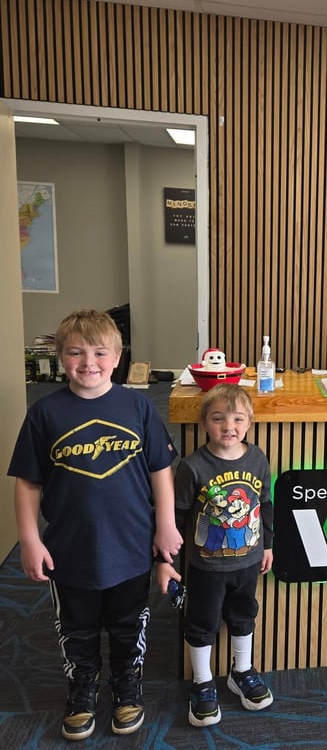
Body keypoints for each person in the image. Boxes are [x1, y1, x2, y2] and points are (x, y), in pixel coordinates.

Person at [8, 309, 183, 741]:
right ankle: (82, 689)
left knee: (128, 624)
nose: (88, 362)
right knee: (77, 629)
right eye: (75, 352)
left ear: (118, 356)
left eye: (100, 352)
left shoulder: (138, 406)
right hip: (70, 549)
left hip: (130, 546)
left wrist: (165, 525)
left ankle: (127, 688)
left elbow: (160, 471)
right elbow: (28, 482)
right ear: (60, 356)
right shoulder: (44, 413)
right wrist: (29, 539)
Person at [157, 383, 274, 728]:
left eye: (238, 419)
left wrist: (267, 543)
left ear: (249, 422)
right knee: (201, 621)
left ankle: (241, 671)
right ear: (205, 422)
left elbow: (264, 504)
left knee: (243, 614)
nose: (229, 427)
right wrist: (166, 560)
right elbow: (176, 516)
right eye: (219, 419)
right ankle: (203, 681)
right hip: (207, 564)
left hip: (248, 559)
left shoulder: (257, 458)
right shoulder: (192, 467)